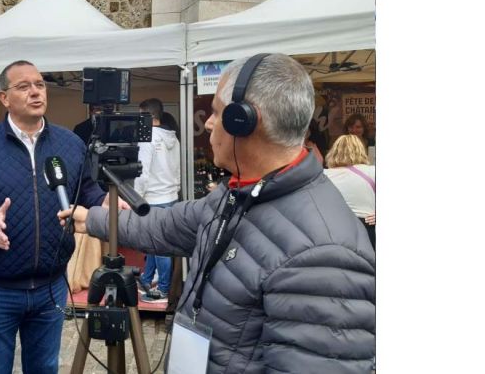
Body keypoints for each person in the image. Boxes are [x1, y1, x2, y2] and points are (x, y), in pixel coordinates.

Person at [59, 53, 375, 373]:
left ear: (246, 120)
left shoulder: (324, 254)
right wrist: (93, 219)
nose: (208, 122)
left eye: (216, 112)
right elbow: (167, 225)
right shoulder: (240, 193)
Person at [0, 60, 108, 374]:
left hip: (51, 286)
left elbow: (87, 192)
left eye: (40, 84)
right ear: (4, 98)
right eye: (23, 86)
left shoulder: (70, 144)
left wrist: (105, 202)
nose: (35, 92)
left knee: (44, 368)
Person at [135, 98, 181, 304]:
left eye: (139, 115)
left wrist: (136, 197)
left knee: (158, 246)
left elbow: (142, 173)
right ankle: (146, 280)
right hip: (170, 196)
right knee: (154, 243)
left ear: (148, 116)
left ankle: (162, 291)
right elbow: (178, 168)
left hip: (153, 197)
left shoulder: (147, 138)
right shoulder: (172, 137)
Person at [324, 134, 376, 248]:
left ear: (334, 151)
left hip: (333, 228)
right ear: (361, 151)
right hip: (367, 226)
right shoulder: (372, 172)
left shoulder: (323, 175)